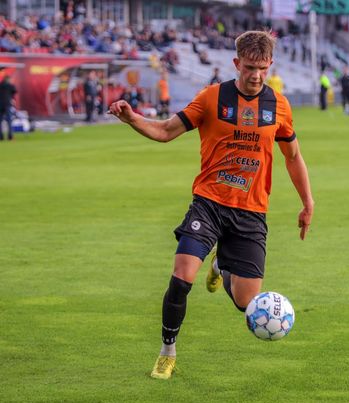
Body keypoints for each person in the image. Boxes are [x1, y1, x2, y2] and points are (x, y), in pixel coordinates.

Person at [108, 30, 314, 380]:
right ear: (236, 63)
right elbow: (166, 131)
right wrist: (132, 119)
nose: (256, 75)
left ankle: (221, 265)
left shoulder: (279, 105)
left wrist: (307, 203)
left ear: (270, 65)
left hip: (251, 212)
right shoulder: (211, 98)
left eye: (262, 69)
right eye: (249, 67)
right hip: (209, 204)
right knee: (182, 276)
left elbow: (293, 157)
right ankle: (167, 352)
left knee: (246, 304)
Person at [0, 76, 17, 141]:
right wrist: (11, 97)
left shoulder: (1, 85)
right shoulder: (10, 85)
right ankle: (10, 136)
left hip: (0, 104)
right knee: (9, 120)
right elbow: (14, 91)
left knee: (0, 121)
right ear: (8, 80)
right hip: (7, 104)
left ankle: (1, 136)